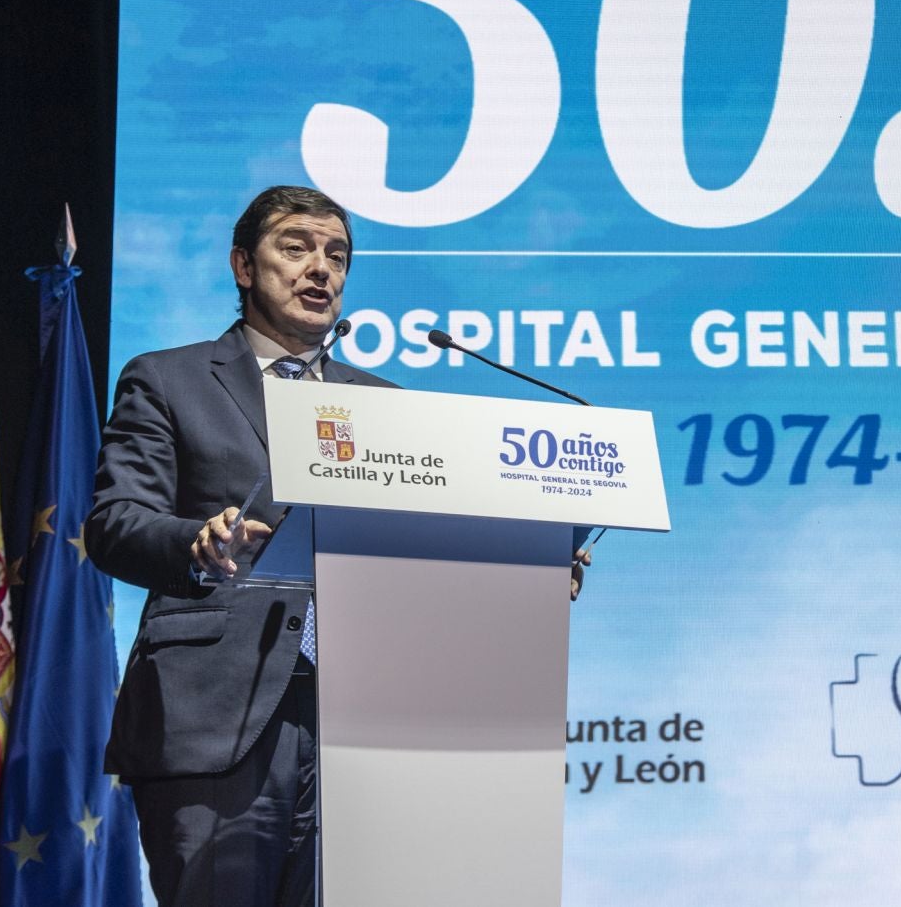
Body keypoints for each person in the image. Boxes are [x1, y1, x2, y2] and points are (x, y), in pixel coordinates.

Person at [85, 185, 589, 907]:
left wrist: (525, 575)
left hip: (366, 722)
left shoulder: (381, 404)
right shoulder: (169, 379)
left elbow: (422, 554)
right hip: (219, 712)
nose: (320, 268)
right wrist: (196, 541)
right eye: (296, 248)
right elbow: (115, 523)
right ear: (243, 266)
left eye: (336, 255)